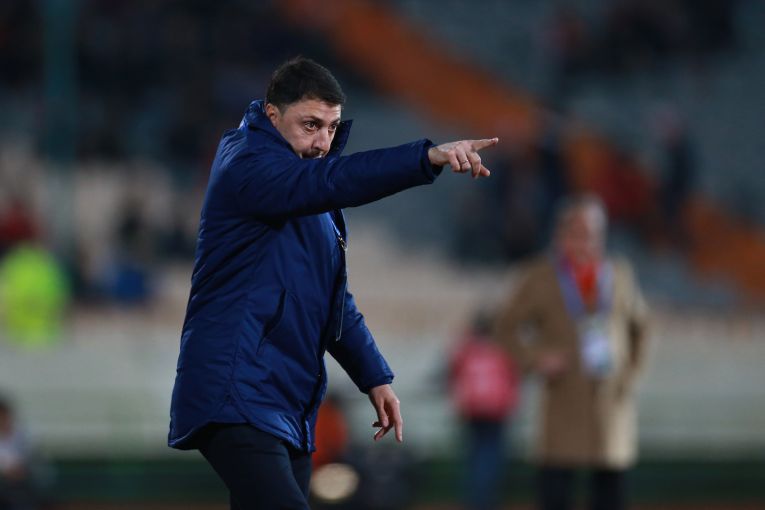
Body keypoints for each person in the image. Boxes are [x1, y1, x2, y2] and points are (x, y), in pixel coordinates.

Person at [168, 56, 499, 509]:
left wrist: (374, 378)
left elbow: (332, 301)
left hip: (287, 404)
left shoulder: (312, 196)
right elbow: (334, 180)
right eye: (310, 125)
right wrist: (425, 157)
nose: (322, 142)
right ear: (272, 115)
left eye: (331, 127)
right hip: (236, 391)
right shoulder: (246, 162)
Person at [494, 194, 649, 510]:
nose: (585, 242)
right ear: (560, 235)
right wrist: (536, 358)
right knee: (555, 491)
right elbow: (505, 327)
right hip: (563, 400)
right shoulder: (540, 277)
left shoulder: (619, 274)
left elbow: (641, 327)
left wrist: (630, 375)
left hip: (609, 404)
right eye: (577, 233)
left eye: (593, 234)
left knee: (610, 492)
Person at [448, 311, 519, 510]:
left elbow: (452, 373)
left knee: (474, 455)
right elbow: (514, 377)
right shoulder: (504, 348)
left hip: (472, 408)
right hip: (497, 409)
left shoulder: (466, 348)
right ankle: (486, 500)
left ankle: (474, 500)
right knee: (492, 456)